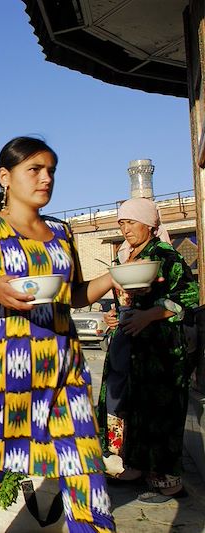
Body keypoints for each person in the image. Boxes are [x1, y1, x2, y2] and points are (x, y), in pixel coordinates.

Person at [0, 137, 117, 532]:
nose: (46, 178)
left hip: (65, 373)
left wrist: (115, 277)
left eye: (51, 170)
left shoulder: (61, 231)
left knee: (87, 474)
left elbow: (74, 295)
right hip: (8, 375)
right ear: (6, 177)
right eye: (34, 170)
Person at [97, 197, 199, 502]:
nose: (125, 228)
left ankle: (168, 482)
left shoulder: (165, 256)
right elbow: (124, 299)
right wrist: (114, 315)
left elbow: (188, 296)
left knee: (159, 412)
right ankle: (135, 467)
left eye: (130, 222)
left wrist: (149, 315)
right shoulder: (125, 256)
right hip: (129, 347)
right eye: (121, 223)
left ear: (150, 224)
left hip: (160, 351)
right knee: (128, 407)